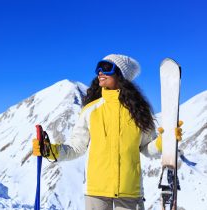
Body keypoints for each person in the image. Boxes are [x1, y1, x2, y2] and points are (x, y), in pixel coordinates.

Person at [32, 54, 182, 210]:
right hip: (96, 193)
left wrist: (164, 141)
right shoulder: (90, 111)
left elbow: (147, 149)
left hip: (130, 193)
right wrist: (49, 150)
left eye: (106, 68)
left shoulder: (139, 113)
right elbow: (76, 148)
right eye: (98, 68)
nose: (100, 72)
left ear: (121, 75)